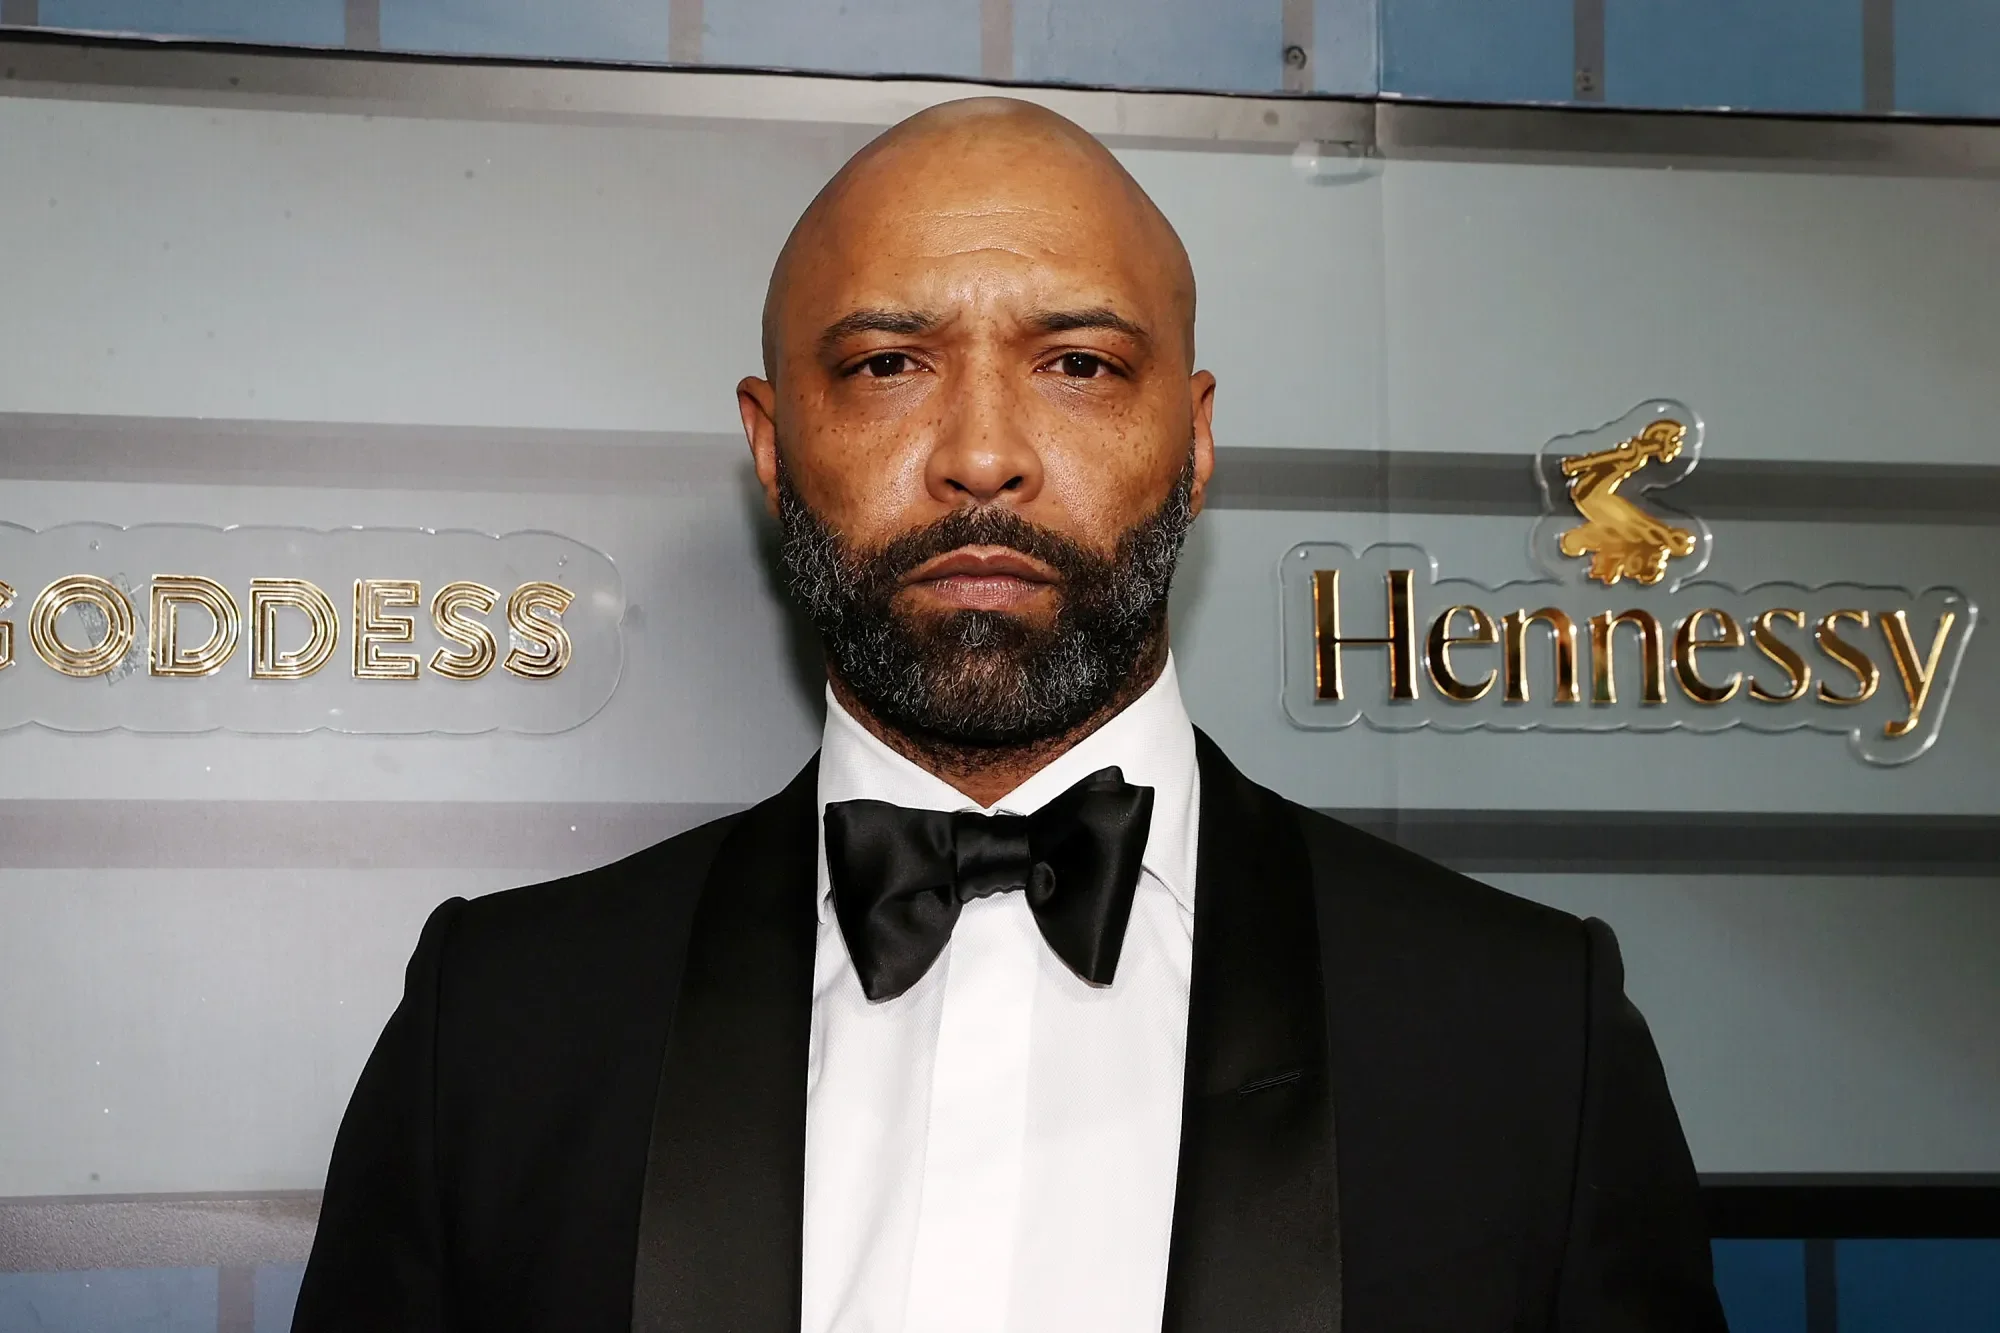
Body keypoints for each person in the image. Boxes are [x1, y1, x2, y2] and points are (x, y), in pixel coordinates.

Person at [293, 97, 1727, 1332]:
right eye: (887, 365)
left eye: (1080, 364)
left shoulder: (1530, 1044)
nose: (982, 455)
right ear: (771, 445)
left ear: (1197, 434)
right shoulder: (497, 1035)